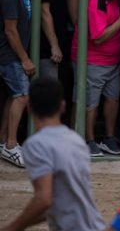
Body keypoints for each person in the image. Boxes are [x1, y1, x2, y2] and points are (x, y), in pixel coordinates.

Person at [0, 77, 105, 230]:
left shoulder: (36, 144)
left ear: (29, 108)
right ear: (62, 106)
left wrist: (13, 227)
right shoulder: (76, 140)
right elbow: (60, 202)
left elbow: (44, 199)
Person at [71, 0, 120, 156]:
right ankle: (88, 140)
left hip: (113, 59)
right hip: (93, 59)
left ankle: (109, 138)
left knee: (113, 99)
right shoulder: (95, 3)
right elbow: (98, 38)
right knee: (91, 103)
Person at [0, 0, 34, 168]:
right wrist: (25, 59)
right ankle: (11, 145)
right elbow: (10, 30)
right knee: (22, 96)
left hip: (12, 54)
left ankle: (3, 141)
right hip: (10, 54)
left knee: (14, 96)